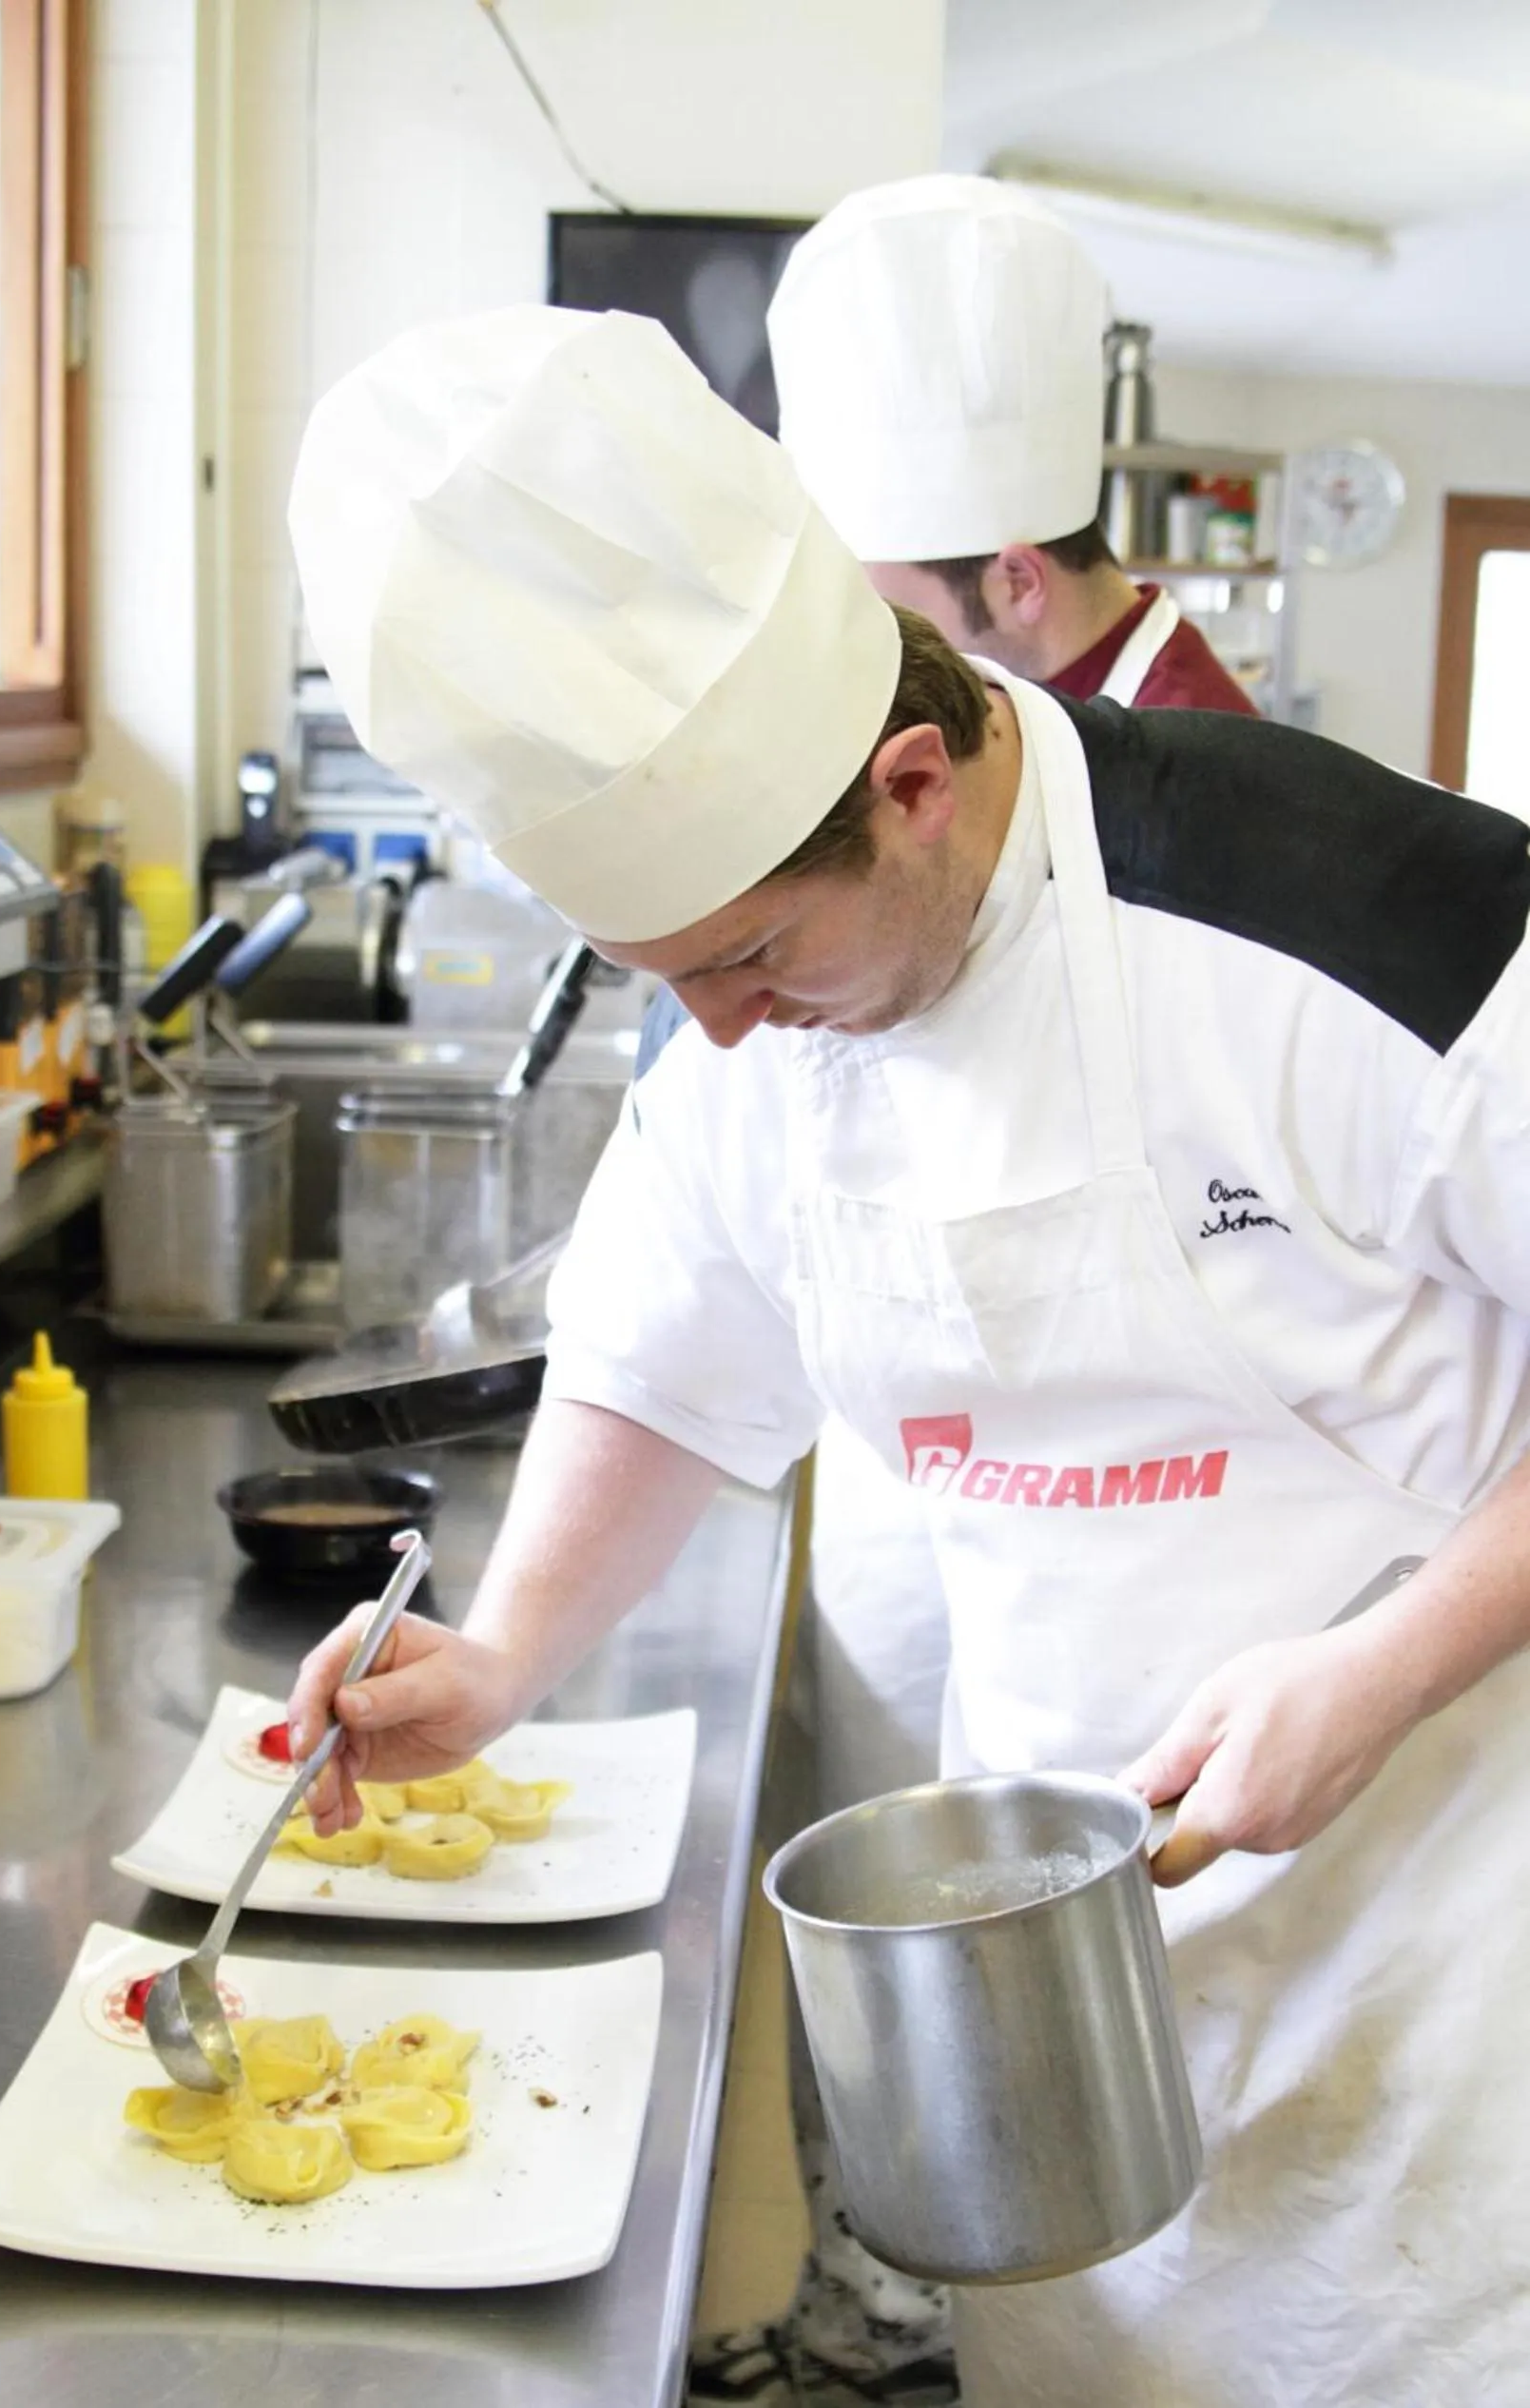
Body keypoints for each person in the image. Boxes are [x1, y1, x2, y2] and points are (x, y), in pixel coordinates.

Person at [287, 303, 1530, 2408]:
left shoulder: (1366, 917)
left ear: (915, 779)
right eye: (669, 978)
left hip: (1436, 1974)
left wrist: (1380, 1666)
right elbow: (663, 1357)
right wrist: (499, 1663)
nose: (729, 1033)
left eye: (753, 958)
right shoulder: (757, 1012)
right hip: (1057, 1983)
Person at [720, 174, 1262, 2404]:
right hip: (939, 1502)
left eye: (879, 614)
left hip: (1127, 1598)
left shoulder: (1210, 812)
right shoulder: (952, 779)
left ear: (1009, 587)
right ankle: (905, 2284)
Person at [767, 174, 1259, 716]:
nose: (888, 652)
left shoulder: (1192, 754)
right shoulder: (1029, 700)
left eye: (901, 618)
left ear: (1020, 583)